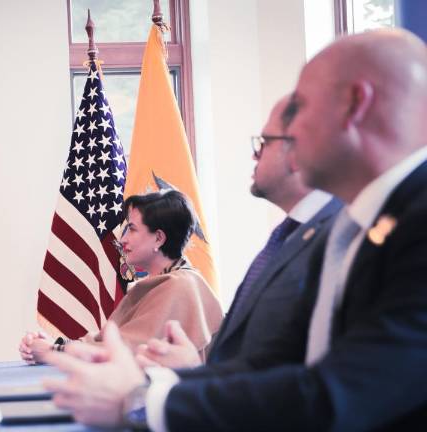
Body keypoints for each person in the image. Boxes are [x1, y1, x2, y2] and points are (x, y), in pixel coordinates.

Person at [43, 29, 427, 430]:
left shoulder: (411, 225)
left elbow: (339, 396)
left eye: (300, 107)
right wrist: (163, 385)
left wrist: (145, 401)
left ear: (355, 104)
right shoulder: (365, 222)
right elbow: (270, 365)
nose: (291, 131)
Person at [136, 96, 342, 372]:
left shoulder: (339, 237)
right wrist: (196, 371)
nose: (255, 155)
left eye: (265, 143)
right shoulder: (288, 235)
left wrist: (193, 378)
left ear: (296, 154)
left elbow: (312, 370)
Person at [20, 189, 223, 364]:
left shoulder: (179, 287)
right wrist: (57, 344)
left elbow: (126, 351)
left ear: (158, 238)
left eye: (132, 229)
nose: (122, 239)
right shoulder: (168, 281)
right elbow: (114, 341)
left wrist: (54, 351)